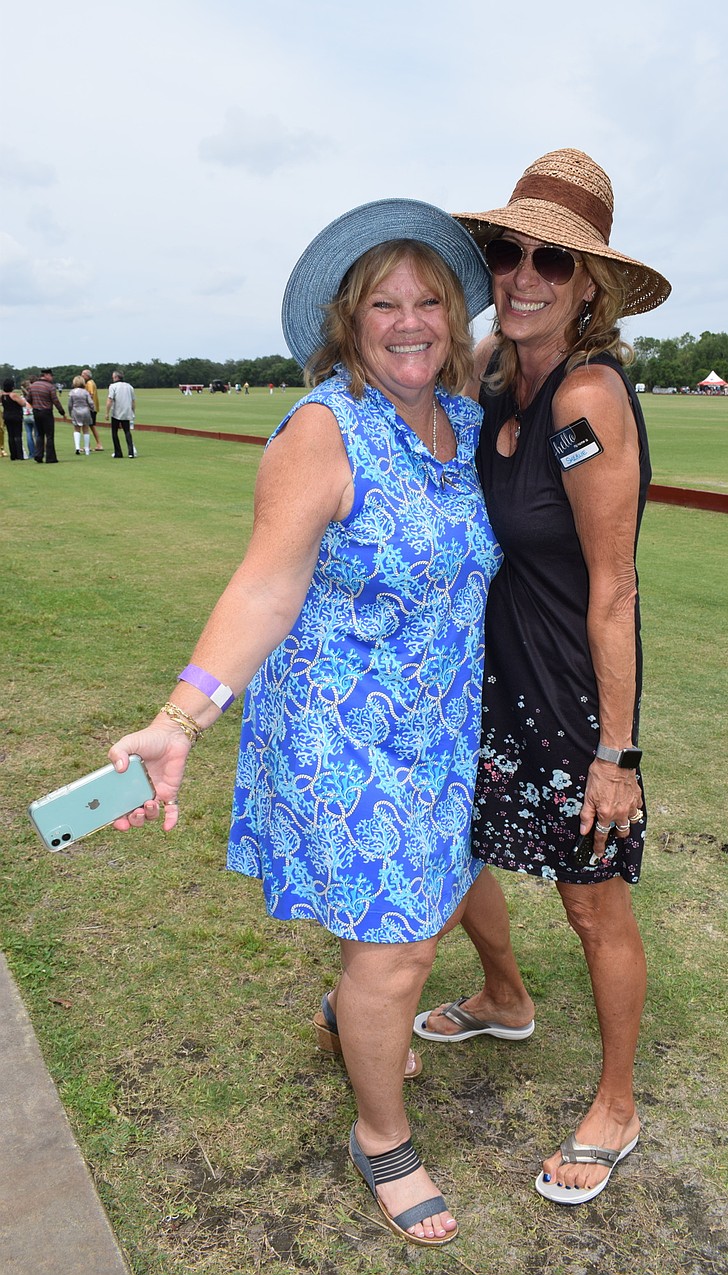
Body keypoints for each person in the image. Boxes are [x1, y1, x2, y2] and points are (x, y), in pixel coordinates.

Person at [107, 198, 501, 1246]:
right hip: (344, 734)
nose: (409, 319)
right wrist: (180, 718)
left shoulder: (461, 425)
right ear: (347, 321)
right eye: (385, 302)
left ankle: (346, 1019)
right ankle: (383, 1135)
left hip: (438, 726)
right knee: (400, 950)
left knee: (415, 913)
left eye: (430, 300)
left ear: (454, 317)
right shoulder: (323, 430)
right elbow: (265, 590)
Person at [414, 149, 672, 1207]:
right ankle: (503, 996)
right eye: (505, 252)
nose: (522, 275)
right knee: (459, 843)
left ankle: (616, 1102)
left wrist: (616, 753)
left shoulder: (588, 396)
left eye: (550, 263)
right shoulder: (489, 370)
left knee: (590, 902)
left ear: (589, 287)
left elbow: (613, 589)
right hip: (481, 672)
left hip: (565, 688)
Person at [26, 369, 69, 463]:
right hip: (46, 412)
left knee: (40, 434)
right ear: (46, 375)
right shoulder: (50, 387)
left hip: (36, 412)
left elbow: (28, 399)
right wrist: (62, 412)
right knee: (49, 435)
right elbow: (55, 401)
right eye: (51, 376)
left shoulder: (33, 386)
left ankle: (38, 455)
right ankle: (50, 458)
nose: (52, 378)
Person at [106, 370, 136, 458]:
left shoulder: (113, 386)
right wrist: (133, 412)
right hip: (127, 412)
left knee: (114, 432)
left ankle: (118, 453)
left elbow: (110, 399)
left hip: (116, 412)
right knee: (127, 431)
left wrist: (107, 412)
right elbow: (133, 401)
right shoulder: (129, 386)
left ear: (116, 377)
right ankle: (131, 452)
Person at [68, 376, 97, 454]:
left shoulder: (72, 392)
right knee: (86, 429)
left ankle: (77, 447)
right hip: (85, 411)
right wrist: (92, 409)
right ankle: (87, 448)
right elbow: (91, 403)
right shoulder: (85, 392)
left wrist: (70, 412)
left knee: (76, 429)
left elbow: (70, 404)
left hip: (76, 411)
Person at [1, 378, 29, 460]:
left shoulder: (3, 395)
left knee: (11, 436)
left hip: (6, 415)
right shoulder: (13, 395)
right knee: (17, 436)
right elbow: (23, 404)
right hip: (15, 416)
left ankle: (13, 455)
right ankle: (19, 455)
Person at [81, 368, 104, 450]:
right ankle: (97, 444)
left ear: (87, 376)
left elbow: (90, 394)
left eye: (83, 374)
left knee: (86, 426)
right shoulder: (90, 383)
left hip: (90, 408)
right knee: (91, 426)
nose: (81, 376)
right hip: (93, 408)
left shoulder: (89, 383)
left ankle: (89, 445)